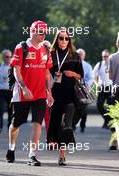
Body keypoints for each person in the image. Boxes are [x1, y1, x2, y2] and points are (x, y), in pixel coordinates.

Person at [6, 20, 54, 166]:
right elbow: (16, 70)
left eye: (45, 32)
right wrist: (24, 87)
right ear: (32, 32)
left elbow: (47, 73)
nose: (44, 35)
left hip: (40, 95)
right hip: (22, 94)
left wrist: (49, 93)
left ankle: (32, 155)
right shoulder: (22, 47)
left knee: (37, 124)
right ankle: (11, 148)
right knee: (16, 124)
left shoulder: (46, 49)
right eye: (41, 32)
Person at [47, 29, 83, 166]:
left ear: (69, 40)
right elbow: (45, 74)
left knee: (65, 124)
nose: (63, 41)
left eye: (66, 38)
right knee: (55, 123)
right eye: (61, 38)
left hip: (70, 94)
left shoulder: (75, 55)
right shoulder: (50, 55)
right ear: (57, 39)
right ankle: (58, 148)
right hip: (55, 94)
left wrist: (72, 73)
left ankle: (62, 155)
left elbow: (81, 75)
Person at [72, 48, 93, 133]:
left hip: (83, 90)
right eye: (78, 54)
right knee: (73, 107)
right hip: (73, 89)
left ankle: (82, 126)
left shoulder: (87, 66)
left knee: (84, 109)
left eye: (81, 54)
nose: (80, 55)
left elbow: (91, 78)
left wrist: (85, 85)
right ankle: (72, 125)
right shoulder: (71, 64)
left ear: (84, 56)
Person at [0, 50, 13, 134]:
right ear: (3, 57)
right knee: (0, 109)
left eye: (10, 57)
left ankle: (9, 127)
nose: (8, 59)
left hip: (10, 91)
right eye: (7, 57)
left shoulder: (14, 67)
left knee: (10, 110)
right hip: (0, 91)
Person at [93, 49, 112, 129]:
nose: (104, 58)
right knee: (99, 104)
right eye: (103, 56)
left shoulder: (113, 64)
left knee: (110, 106)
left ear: (109, 56)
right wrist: (97, 84)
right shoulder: (99, 64)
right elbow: (94, 77)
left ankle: (108, 122)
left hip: (111, 87)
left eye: (106, 56)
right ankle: (107, 119)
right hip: (102, 87)